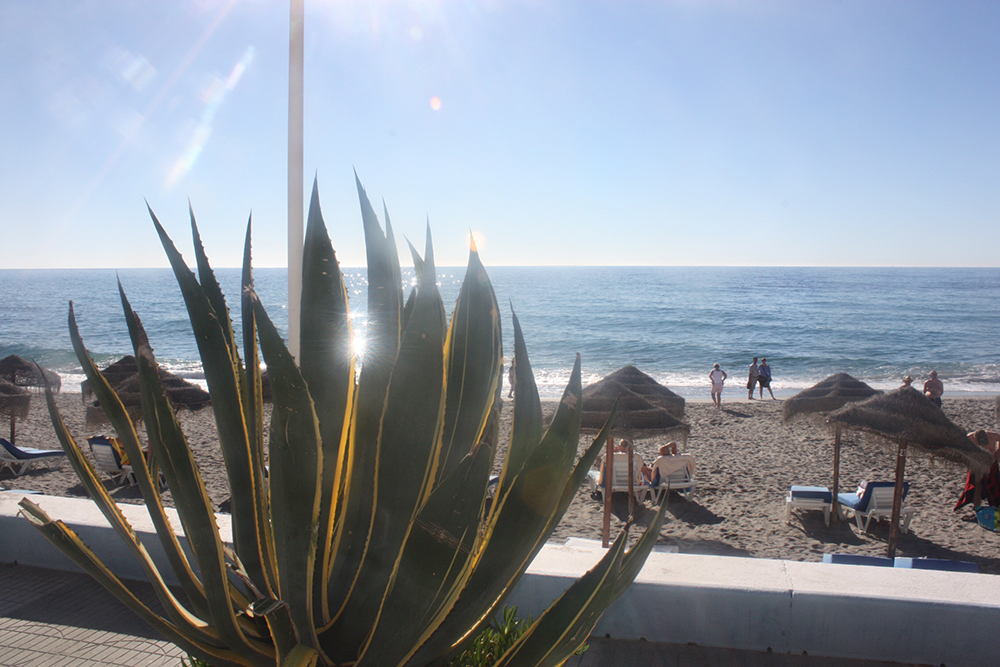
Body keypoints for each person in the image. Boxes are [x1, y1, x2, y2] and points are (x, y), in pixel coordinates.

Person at [954, 430, 1000, 510]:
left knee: (995, 486)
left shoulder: (993, 436)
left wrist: (998, 452)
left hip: (991, 465)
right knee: (977, 487)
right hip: (977, 467)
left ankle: (995, 506)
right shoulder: (969, 439)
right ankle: (977, 507)